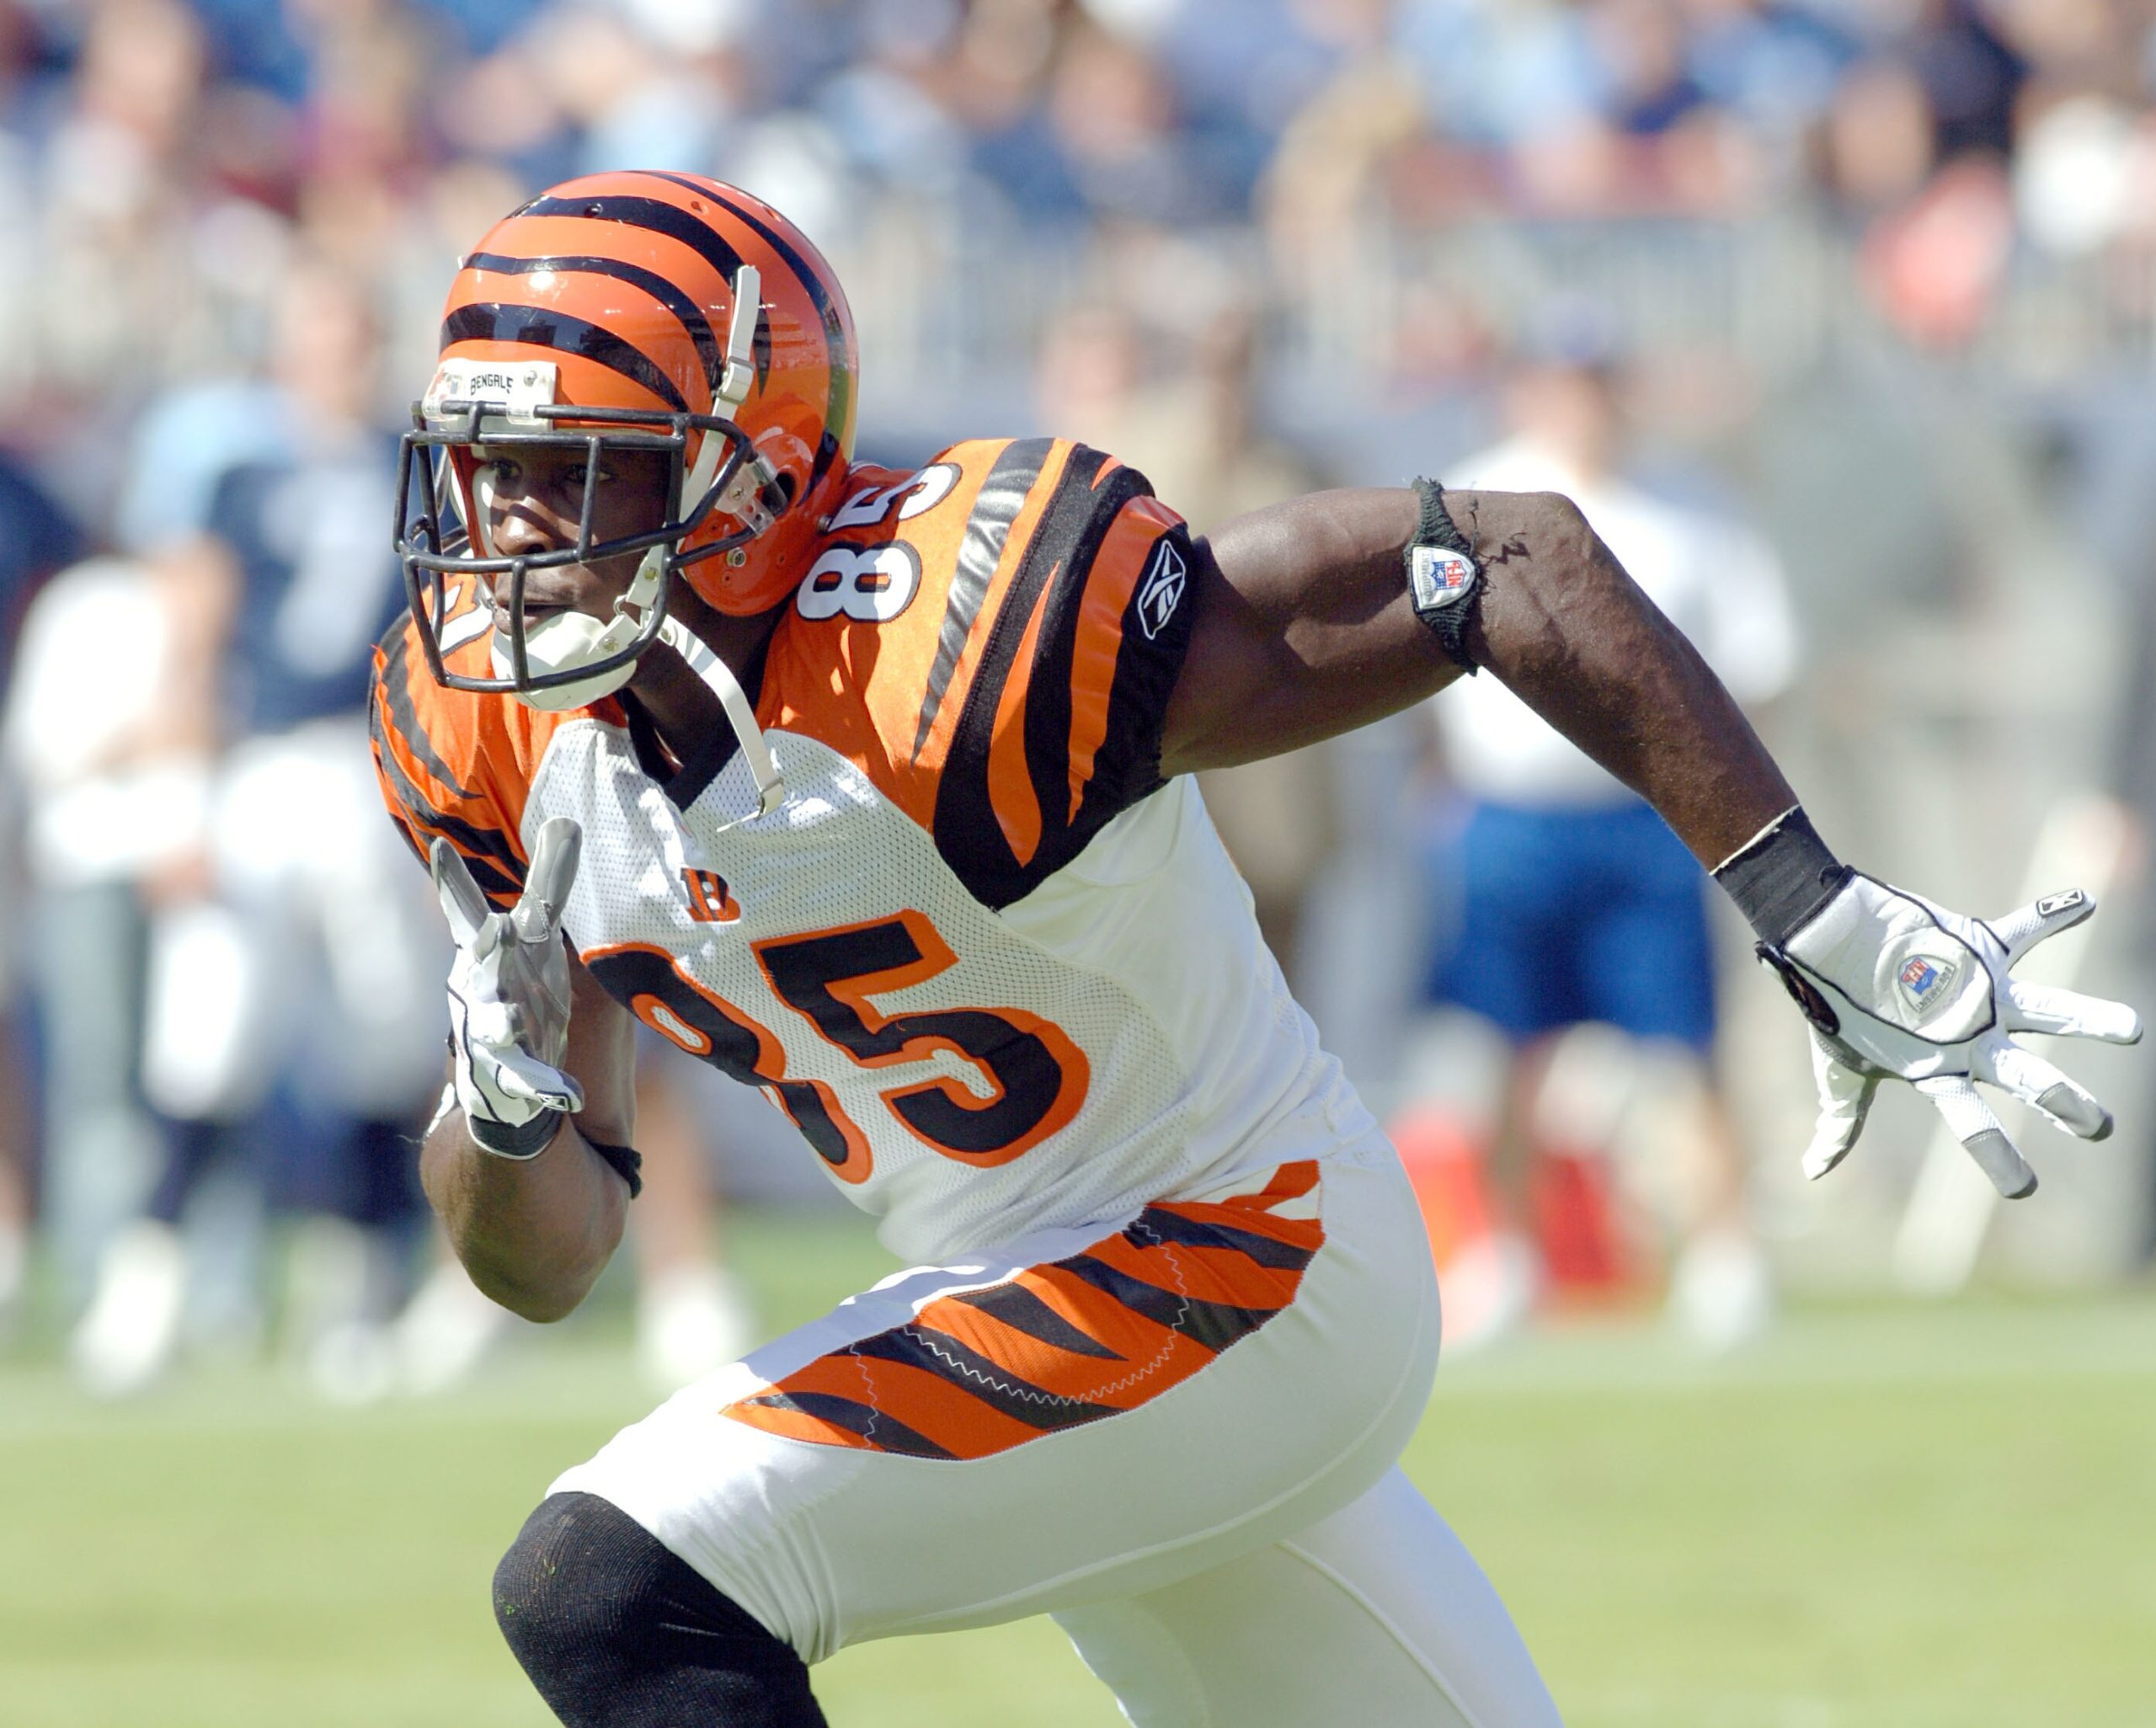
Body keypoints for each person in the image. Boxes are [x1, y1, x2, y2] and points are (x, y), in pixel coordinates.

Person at [371, 171, 2137, 1727]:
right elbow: (543, 1267)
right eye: (477, 468)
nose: (498, 528)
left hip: (1242, 1256)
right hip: (1029, 1312)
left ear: (753, 467)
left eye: (560, 471)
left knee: (613, 1586)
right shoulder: (491, 746)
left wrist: (1804, 902)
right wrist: (504, 1110)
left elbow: (1495, 562)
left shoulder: (947, 645)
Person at [1414, 327, 1799, 1352]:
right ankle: (1501, 1255)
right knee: (1499, 1048)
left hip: (1643, 819)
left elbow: (1754, 669)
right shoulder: (1473, 502)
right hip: (1509, 820)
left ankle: (1723, 1257)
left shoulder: (1691, 508)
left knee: (1682, 1045)